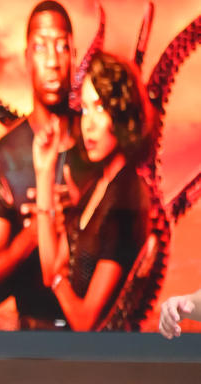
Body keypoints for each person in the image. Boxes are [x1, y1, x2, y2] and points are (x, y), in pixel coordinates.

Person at [0, 1, 96, 330]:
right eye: (41, 47)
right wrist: (36, 231)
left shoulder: (98, 143)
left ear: (74, 53)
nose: (52, 62)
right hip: (32, 341)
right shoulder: (4, 158)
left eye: (61, 46)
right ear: (27, 57)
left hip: (101, 342)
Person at [33, 51, 153, 331]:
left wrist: (58, 281)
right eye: (85, 109)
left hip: (106, 363)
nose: (89, 123)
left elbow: (85, 320)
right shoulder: (97, 189)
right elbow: (50, 267)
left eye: (100, 107)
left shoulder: (127, 198)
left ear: (122, 111)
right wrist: (44, 172)